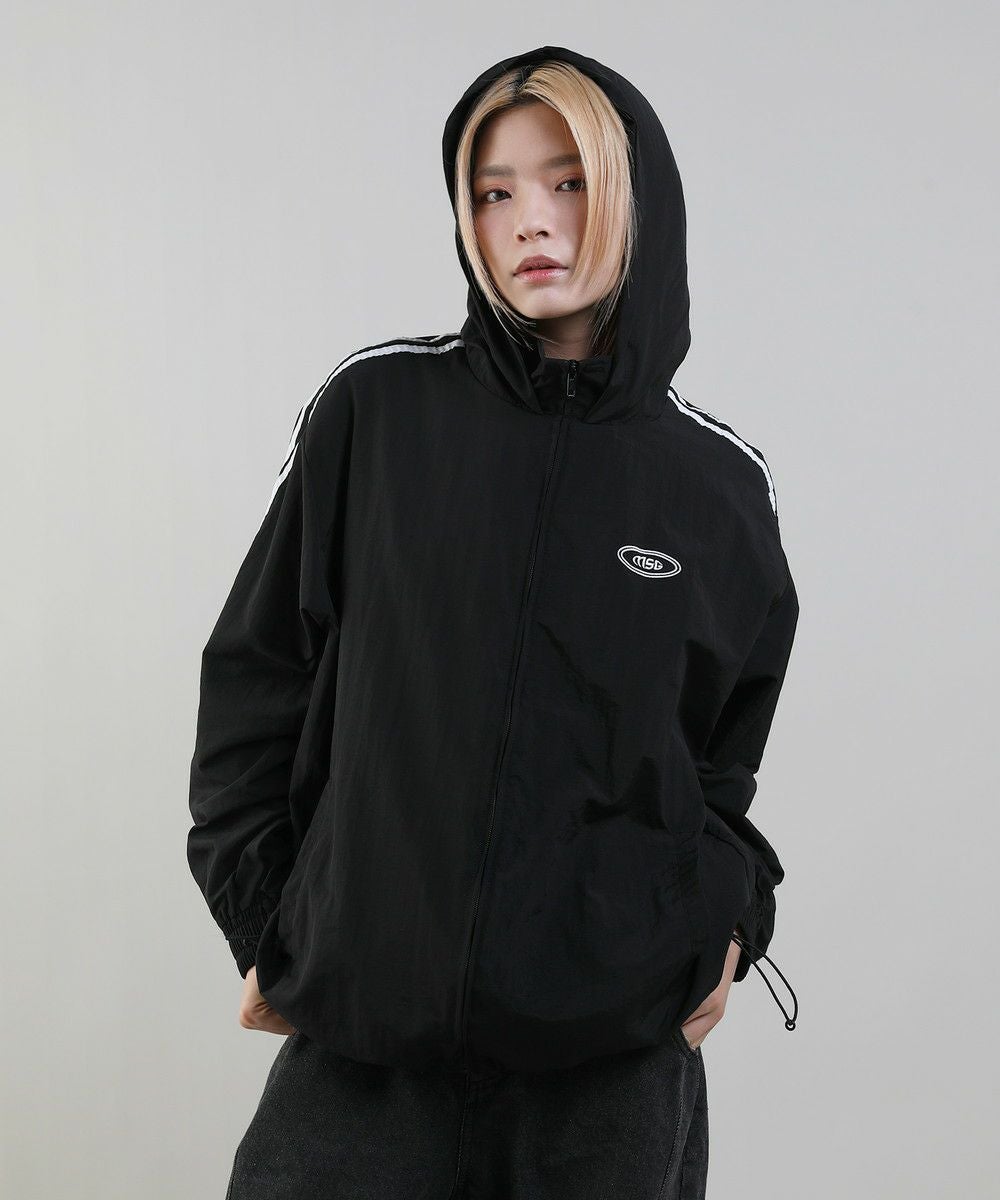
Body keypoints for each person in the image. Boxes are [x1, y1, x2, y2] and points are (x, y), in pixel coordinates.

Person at [187, 44, 801, 1200]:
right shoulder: (376, 412)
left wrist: (726, 925)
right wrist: (271, 920)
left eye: (568, 181)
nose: (531, 220)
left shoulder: (717, 486)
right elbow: (257, 677)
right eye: (493, 190)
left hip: (608, 1075)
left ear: (636, 197)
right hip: (368, 1048)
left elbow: (720, 767)